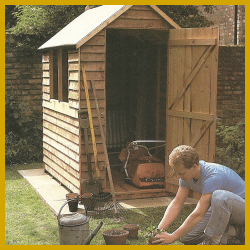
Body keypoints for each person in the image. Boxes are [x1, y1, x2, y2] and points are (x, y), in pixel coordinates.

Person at [153, 145, 245, 245]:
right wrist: (159, 231)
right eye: (176, 172)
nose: (178, 176)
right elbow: (177, 203)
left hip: (242, 210)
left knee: (219, 196)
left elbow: (199, 214)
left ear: (194, 166)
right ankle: (236, 234)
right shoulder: (186, 176)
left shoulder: (212, 176)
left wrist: (173, 236)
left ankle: (214, 241)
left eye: (181, 173)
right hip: (223, 211)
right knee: (187, 238)